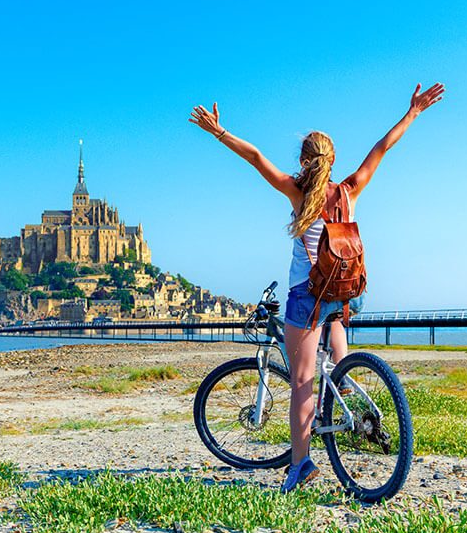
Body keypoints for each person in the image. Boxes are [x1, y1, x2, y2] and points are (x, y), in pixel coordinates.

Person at [189, 82, 445, 492]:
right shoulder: (350, 189)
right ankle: (343, 379)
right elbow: (382, 147)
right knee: (336, 316)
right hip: (348, 290)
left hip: (307, 296)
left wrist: (219, 132)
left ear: (305, 161)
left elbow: (255, 157)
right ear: (333, 159)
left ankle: (301, 465)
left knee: (303, 380)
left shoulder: (298, 193)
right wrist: (413, 112)